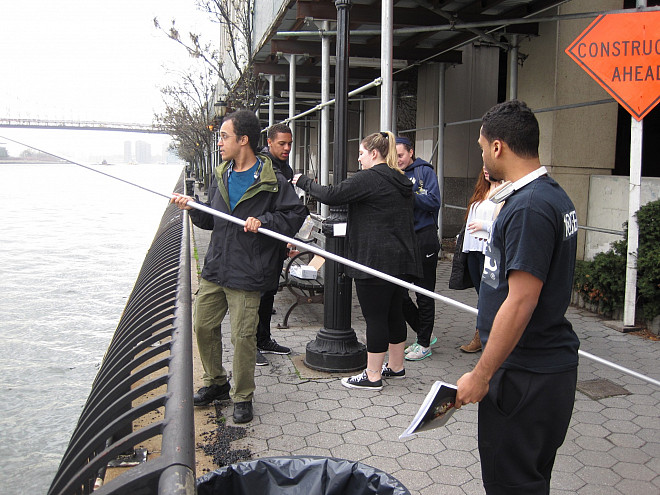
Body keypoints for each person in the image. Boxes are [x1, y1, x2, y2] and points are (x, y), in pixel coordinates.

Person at [455, 100, 579, 494]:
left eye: (480, 146)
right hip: (541, 369)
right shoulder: (551, 196)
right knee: (529, 480)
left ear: (498, 147)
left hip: (524, 374)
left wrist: (481, 375)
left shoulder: (529, 206)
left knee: (511, 483)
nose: (481, 155)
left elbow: (521, 300)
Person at [171, 109, 307, 423]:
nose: (219, 142)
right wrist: (192, 207)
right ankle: (217, 382)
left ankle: (242, 396)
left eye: (224, 136)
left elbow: (294, 215)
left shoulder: (272, 179)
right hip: (217, 266)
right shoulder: (220, 175)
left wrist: (265, 221)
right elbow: (210, 221)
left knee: (242, 337)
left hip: (249, 271)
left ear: (243, 140)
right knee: (203, 326)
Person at [293, 131, 421, 391]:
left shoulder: (370, 179)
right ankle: (396, 367)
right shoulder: (400, 179)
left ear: (374, 154)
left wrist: (303, 181)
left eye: (361, 154)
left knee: (375, 318)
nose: (359, 159)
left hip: (373, 260)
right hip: (400, 260)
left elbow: (330, 194)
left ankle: (372, 375)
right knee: (394, 312)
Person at [395, 136, 441, 361]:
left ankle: (423, 343)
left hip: (424, 240)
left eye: (401, 155)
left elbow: (434, 201)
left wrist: (410, 195)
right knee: (397, 291)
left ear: (411, 153)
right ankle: (425, 331)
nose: (398, 160)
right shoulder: (393, 174)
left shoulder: (425, 172)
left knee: (424, 293)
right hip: (403, 241)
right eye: (395, 157)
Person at [255, 123, 296, 366]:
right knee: (257, 294)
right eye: (282, 143)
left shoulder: (285, 169)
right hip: (259, 240)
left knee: (269, 291)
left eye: (289, 143)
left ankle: (264, 338)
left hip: (277, 240)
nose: (287, 148)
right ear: (269, 142)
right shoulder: (259, 166)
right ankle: (250, 344)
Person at [458, 165, 503, 353]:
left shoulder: (505, 190)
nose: (486, 171)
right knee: (481, 295)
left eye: (489, 167)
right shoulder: (481, 190)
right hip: (472, 250)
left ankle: (486, 337)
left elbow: (505, 224)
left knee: (488, 296)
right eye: (483, 168)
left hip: (489, 251)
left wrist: (484, 225)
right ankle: (483, 334)